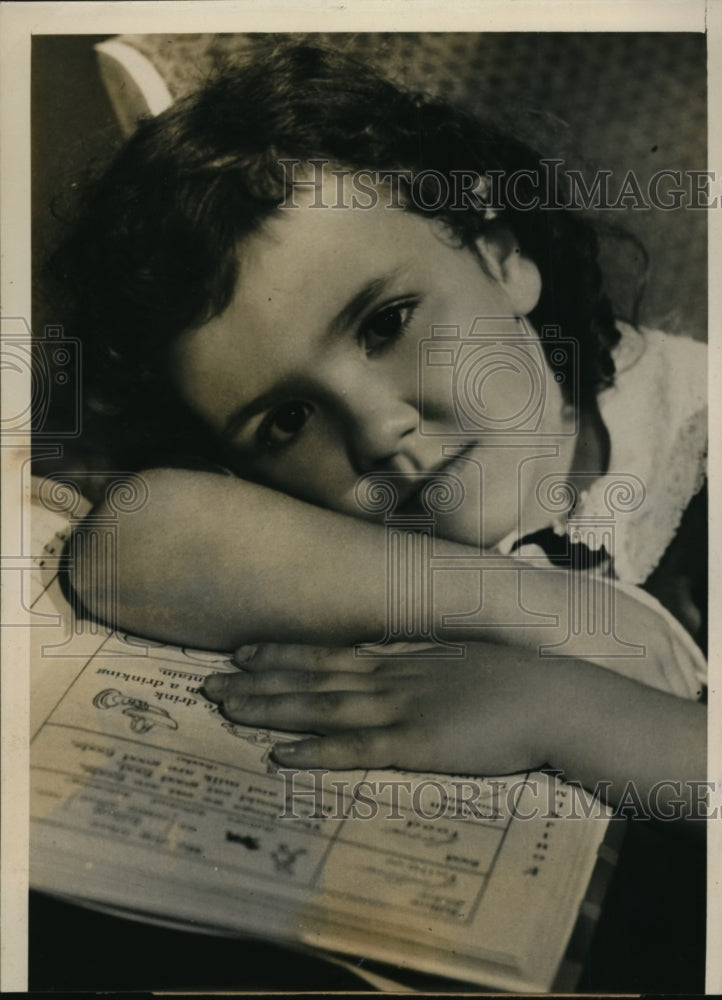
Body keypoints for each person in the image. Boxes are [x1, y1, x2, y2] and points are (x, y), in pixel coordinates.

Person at [52, 40, 707, 818]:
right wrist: (529, 602)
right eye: (287, 421)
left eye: (388, 323)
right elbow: (127, 541)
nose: (376, 429)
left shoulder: (696, 434)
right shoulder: (335, 529)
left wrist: (560, 711)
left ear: (502, 260)